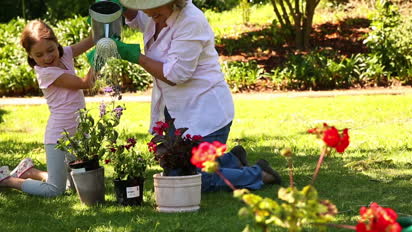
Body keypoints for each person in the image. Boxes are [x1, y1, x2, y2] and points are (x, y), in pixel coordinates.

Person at [116, 0, 281, 191]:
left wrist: (136, 56)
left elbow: (176, 75)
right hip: (175, 110)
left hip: (206, 111)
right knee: (175, 173)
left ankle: (259, 173)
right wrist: (119, 9)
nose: (150, 16)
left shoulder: (191, 21)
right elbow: (140, 19)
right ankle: (232, 160)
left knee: (192, 179)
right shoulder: (158, 11)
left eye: (155, 13)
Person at [0, 20, 95, 197]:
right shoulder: (46, 73)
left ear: (56, 43)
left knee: (75, 185)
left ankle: (29, 172)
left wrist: (102, 21)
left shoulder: (64, 54)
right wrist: (99, 57)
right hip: (59, 136)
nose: (47, 57)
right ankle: (7, 180)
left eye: (50, 50)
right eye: (39, 55)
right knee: (55, 190)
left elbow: (92, 39)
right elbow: (86, 83)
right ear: (30, 55)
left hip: (78, 130)